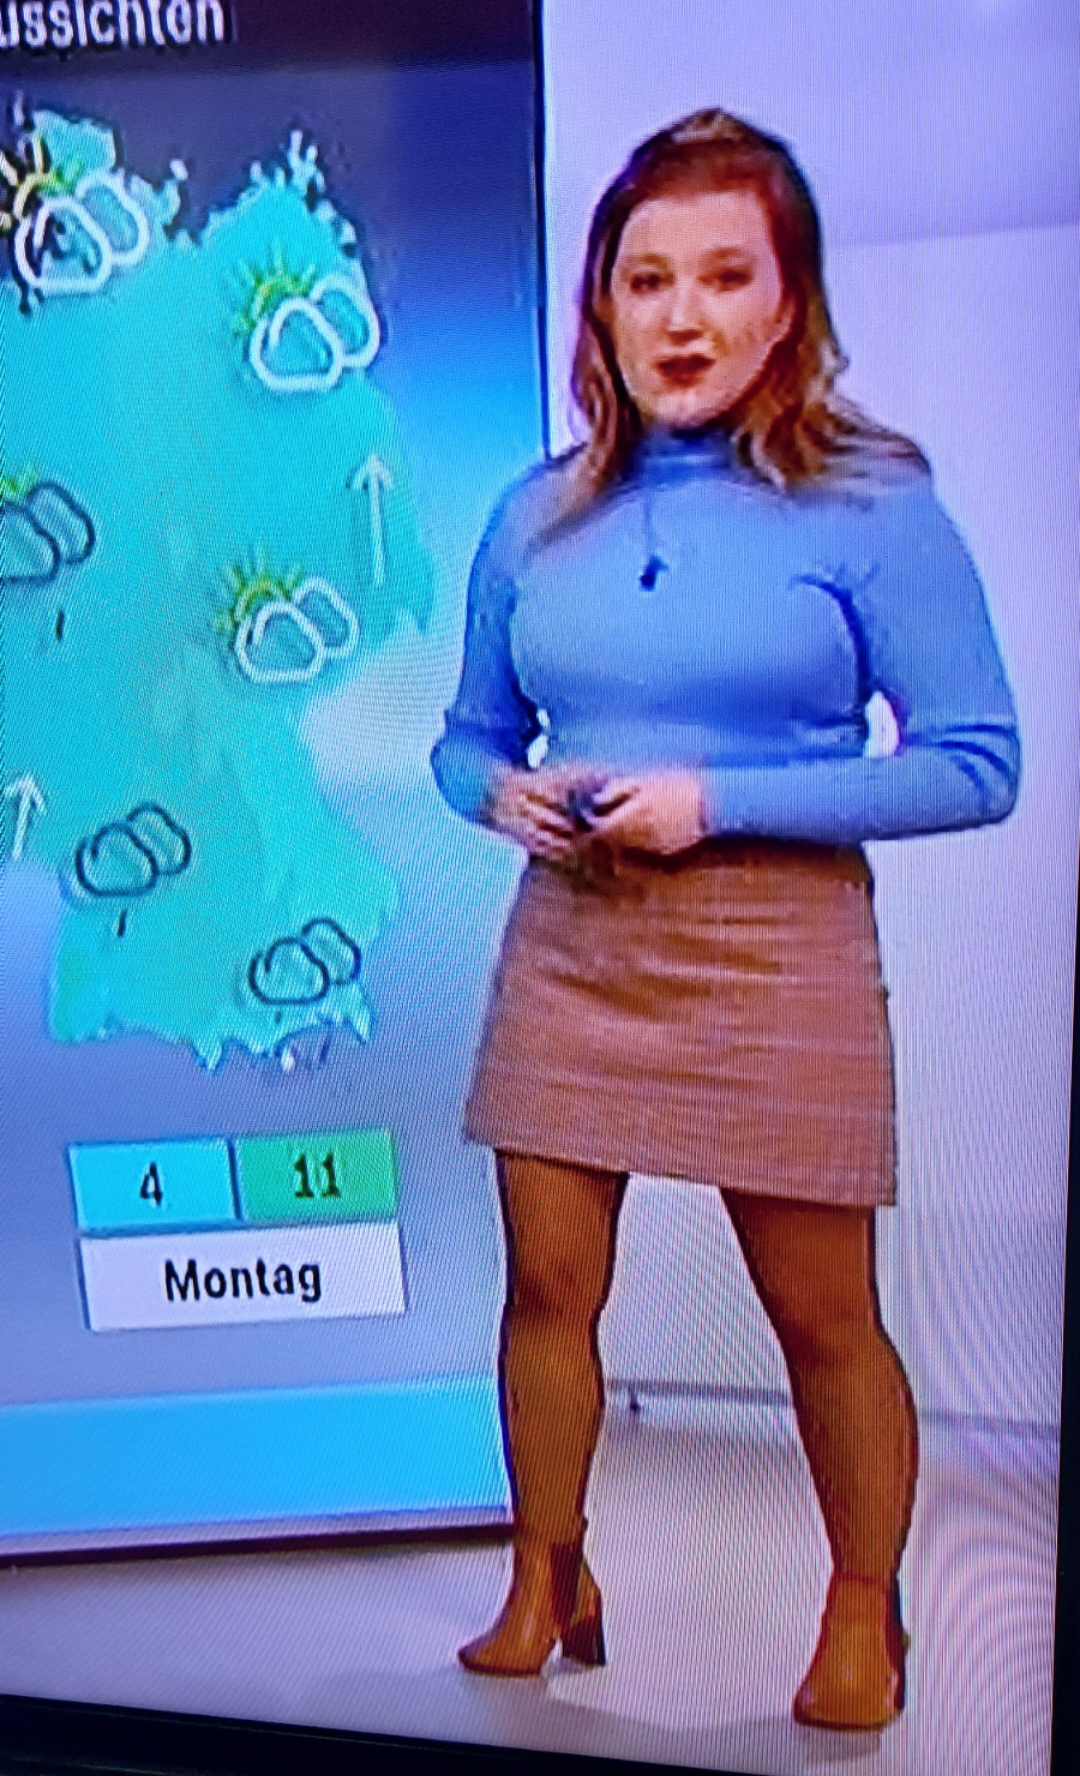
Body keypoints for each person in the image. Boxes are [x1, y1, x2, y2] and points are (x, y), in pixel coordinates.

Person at [430, 110, 1020, 1731]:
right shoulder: (534, 514)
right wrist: (498, 796)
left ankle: (866, 1610)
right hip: (575, 941)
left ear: (787, 304)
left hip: (779, 945)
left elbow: (977, 764)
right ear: (603, 307)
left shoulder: (873, 506)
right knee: (548, 1291)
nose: (682, 316)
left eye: (724, 277)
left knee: (823, 1314)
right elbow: (466, 737)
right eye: (647, 280)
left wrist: (719, 800)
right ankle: (548, 1573)